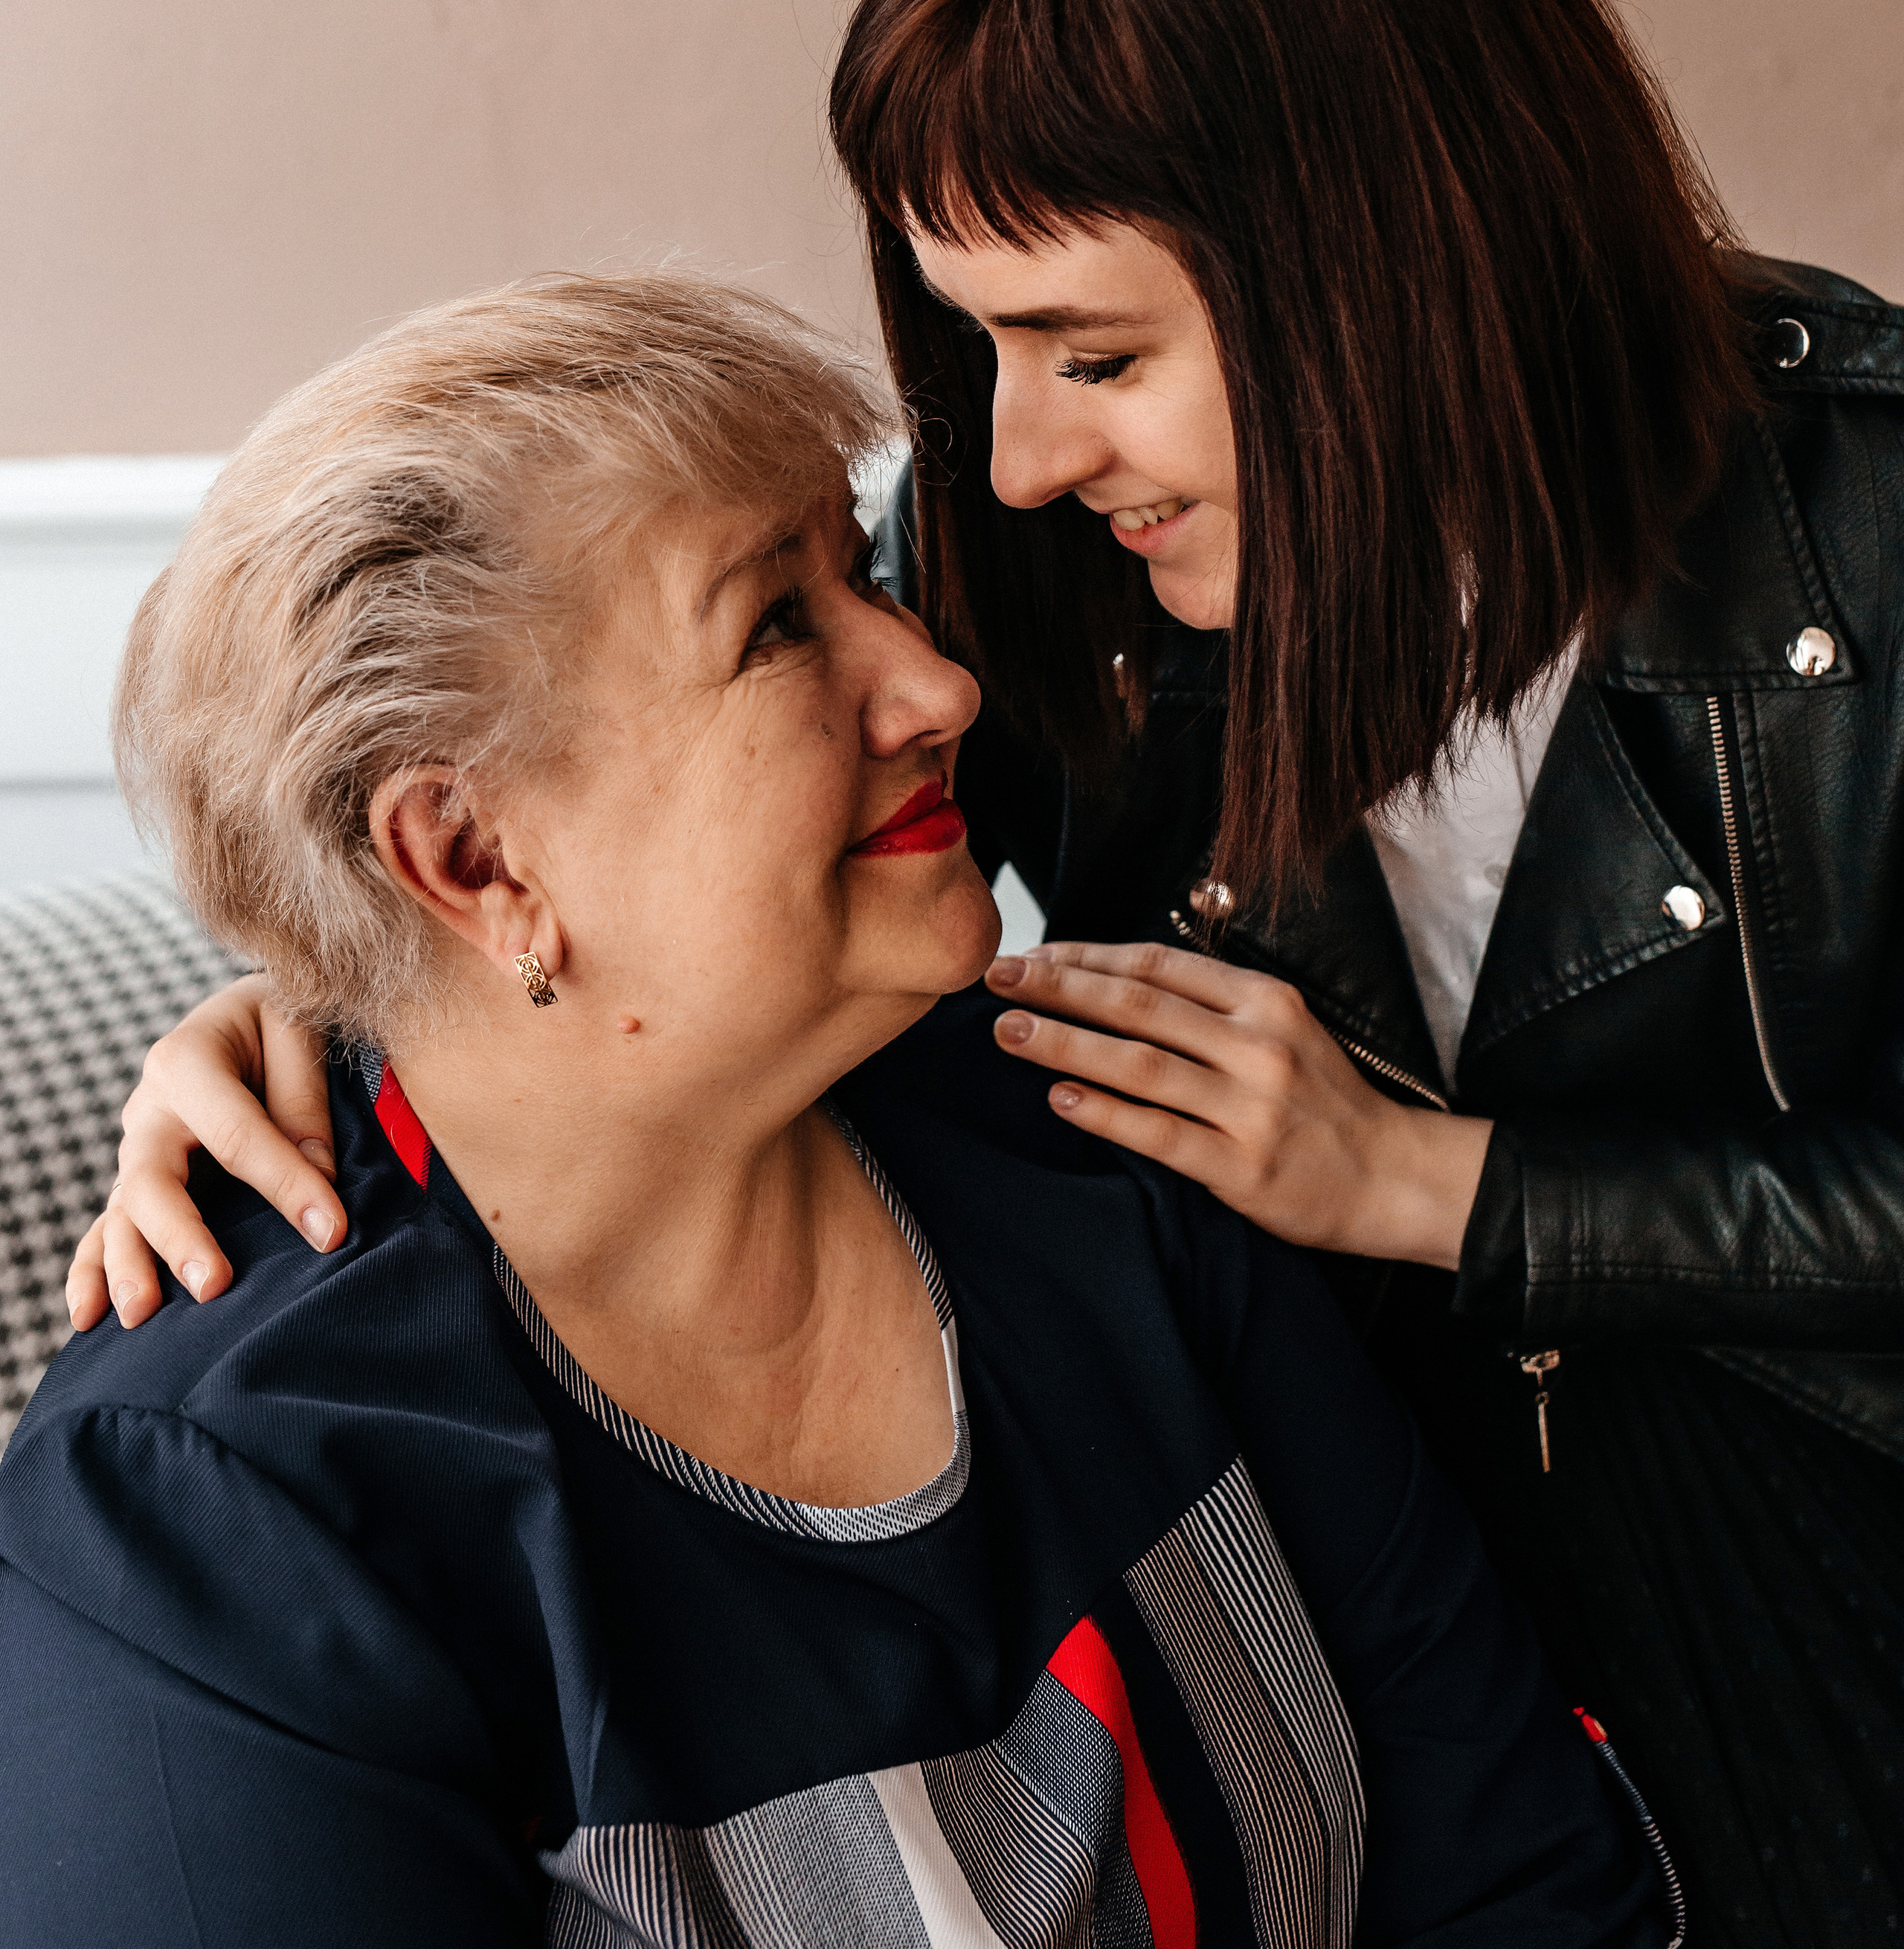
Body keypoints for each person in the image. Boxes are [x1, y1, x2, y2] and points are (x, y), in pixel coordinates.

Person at [69, 0, 1900, 1939]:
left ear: (1395, 273)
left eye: (1095, 352)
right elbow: (616, 802)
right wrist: (325, 1004)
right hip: (1443, 1683)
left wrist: (1437, 1190)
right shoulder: (1040, 580)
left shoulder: (1868, 536)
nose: (1014, 461)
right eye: (982, 348)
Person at [1, 269, 1673, 1948]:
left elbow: (1522, 1876)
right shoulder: (213, 1520)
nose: (937, 684)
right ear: (473, 854)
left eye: (860, 575)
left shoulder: (1096, 1127)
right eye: (776, 627)